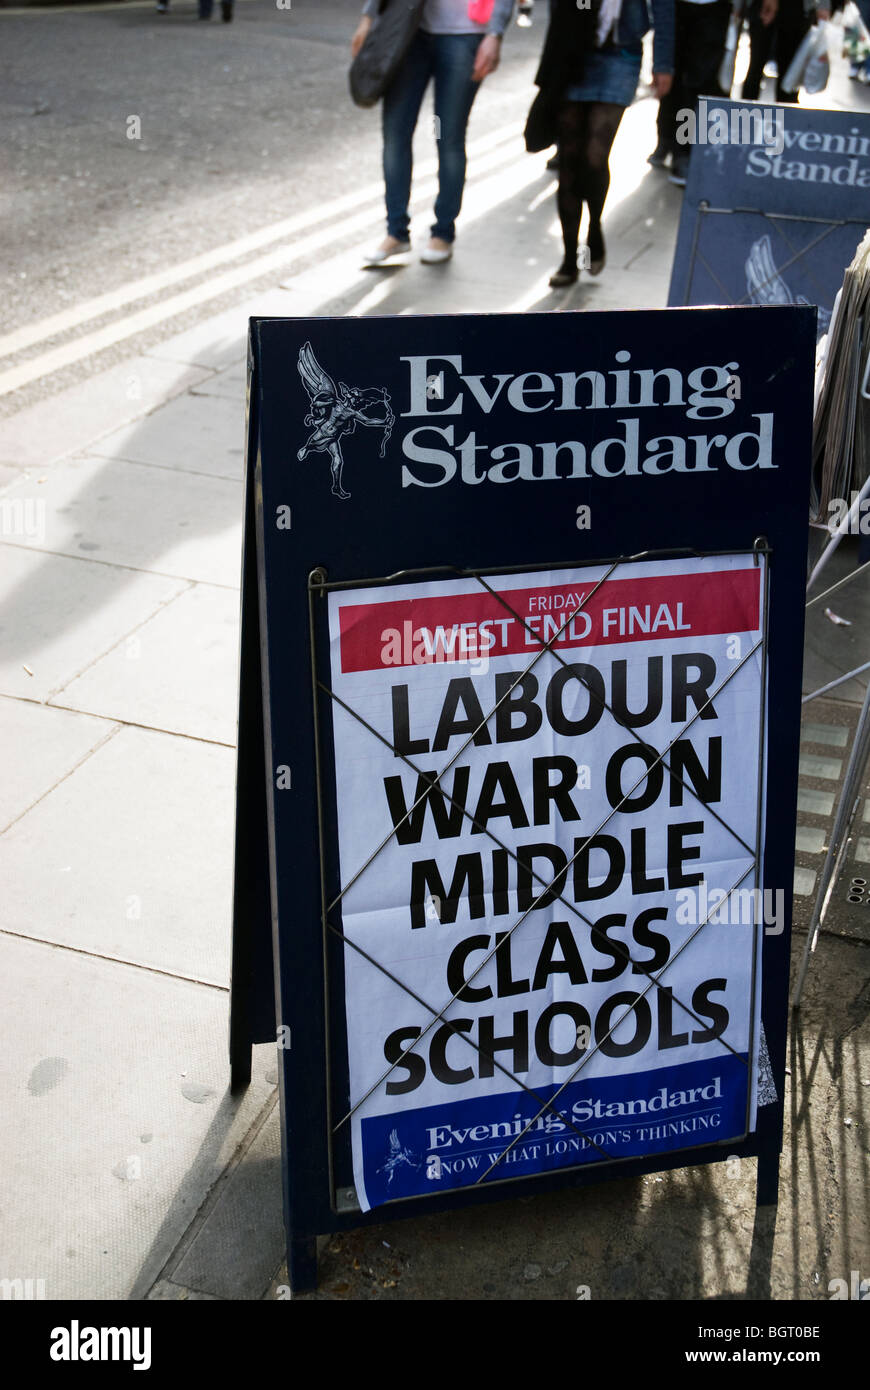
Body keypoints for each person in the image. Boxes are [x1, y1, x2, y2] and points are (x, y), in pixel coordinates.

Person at [351, 0, 515, 266]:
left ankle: (443, 232)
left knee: (448, 137)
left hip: (467, 34)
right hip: (409, 29)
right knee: (395, 133)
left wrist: (495, 34)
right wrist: (368, 18)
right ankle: (396, 232)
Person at [536, 0, 674, 287]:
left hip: (620, 58)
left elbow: (664, 7)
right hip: (574, 52)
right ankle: (569, 257)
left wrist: (663, 64)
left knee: (595, 157)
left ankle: (595, 225)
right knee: (570, 160)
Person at [649, 0, 732, 183]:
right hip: (675, 6)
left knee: (698, 81)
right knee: (671, 75)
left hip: (714, 7)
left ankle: (683, 150)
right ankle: (665, 137)